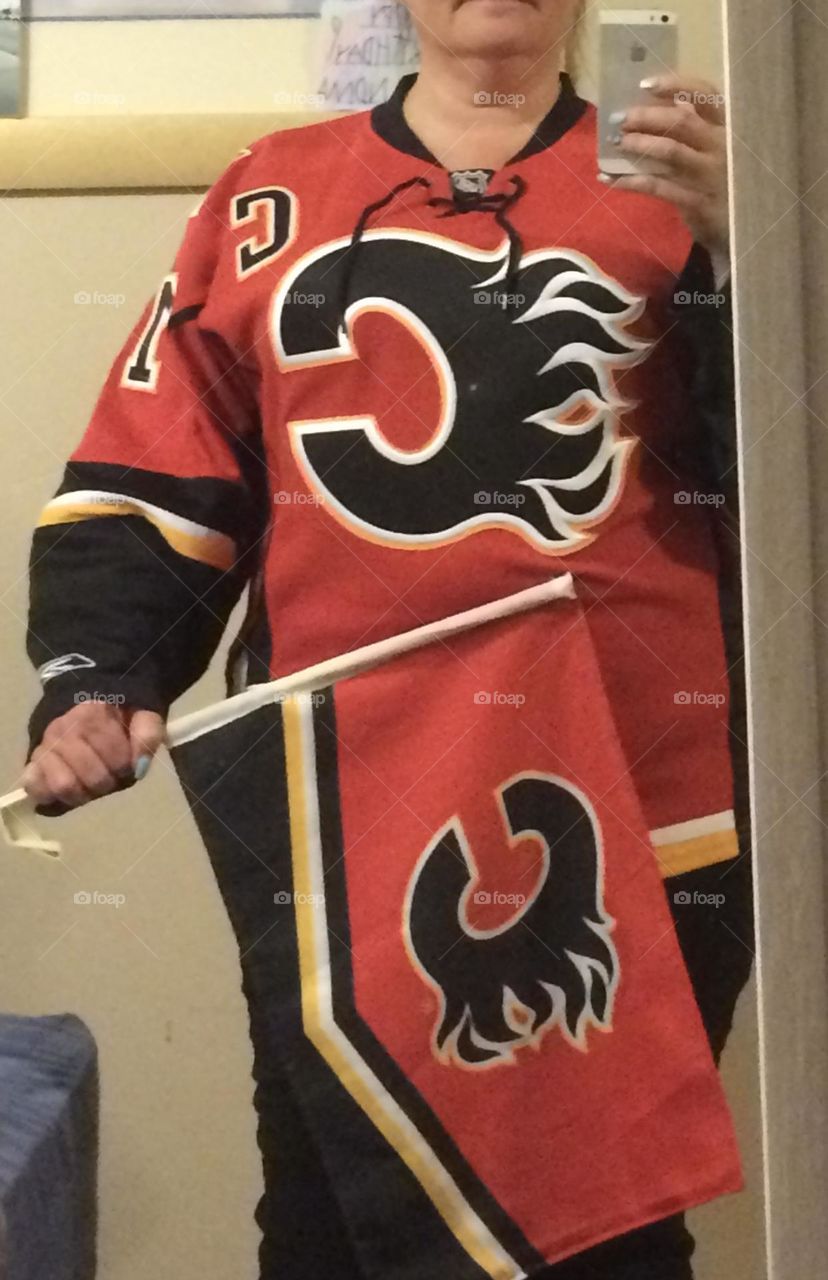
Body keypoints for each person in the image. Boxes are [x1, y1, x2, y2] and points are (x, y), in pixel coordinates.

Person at [22, 1, 754, 1276]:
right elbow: (166, 461)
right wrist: (101, 672)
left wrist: (746, 255)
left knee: (606, 1233)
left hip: (647, 801)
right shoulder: (266, 196)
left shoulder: (705, 189)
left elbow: (783, 489)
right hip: (340, 814)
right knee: (331, 1221)